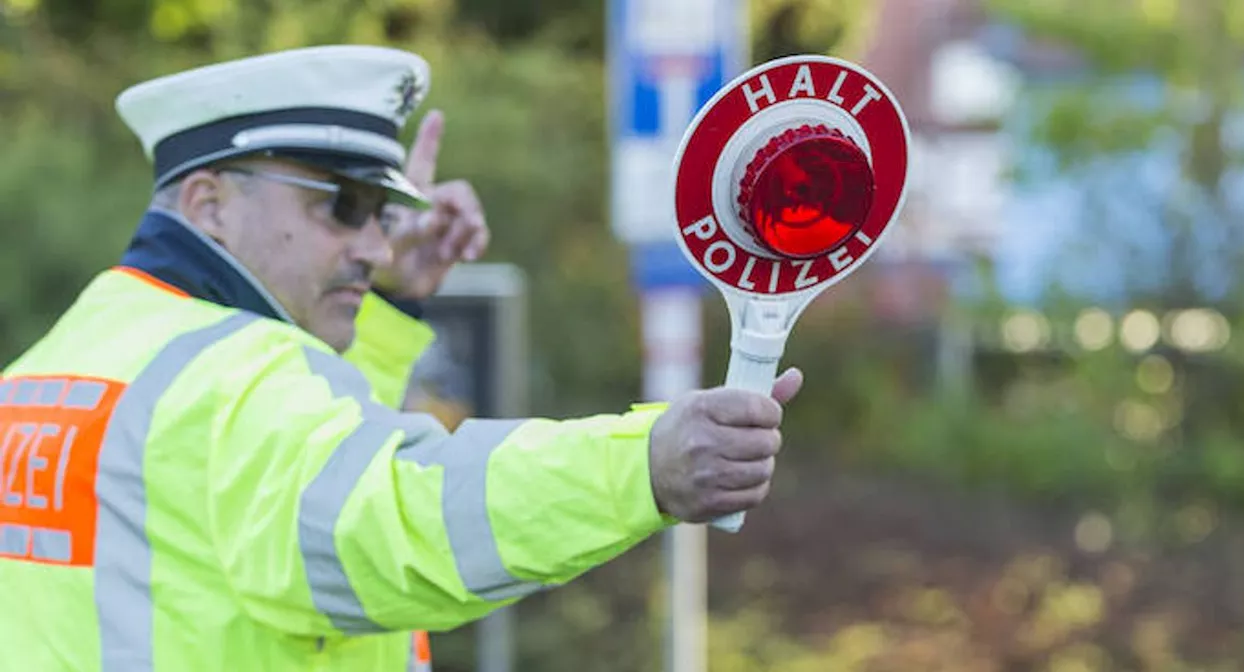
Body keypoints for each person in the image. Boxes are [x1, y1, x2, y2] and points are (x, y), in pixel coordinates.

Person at [0, 45, 803, 670]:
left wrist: (381, 316)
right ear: (209, 203)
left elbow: (268, 487)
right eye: (341, 205)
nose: (376, 245)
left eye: (382, 212)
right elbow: (393, 518)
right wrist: (645, 466)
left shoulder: (62, 363)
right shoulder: (233, 379)